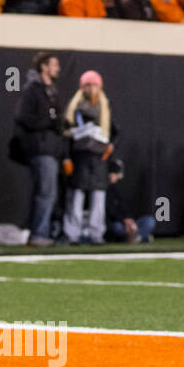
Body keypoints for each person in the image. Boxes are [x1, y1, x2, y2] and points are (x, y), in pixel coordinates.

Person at [13, 51, 63, 246]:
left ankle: (38, 232)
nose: (58, 69)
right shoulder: (33, 90)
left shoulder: (52, 91)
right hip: (40, 149)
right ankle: (38, 234)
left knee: (47, 193)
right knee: (46, 194)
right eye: (54, 65)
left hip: (52, 148)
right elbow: (23, 117)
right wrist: (48, 122)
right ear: (44, 67)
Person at [62, 70, 113, 244]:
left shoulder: (104, 108)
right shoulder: (76, 108)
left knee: (98, 198)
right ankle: (72, 233)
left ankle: (96, 233)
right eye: (88, 85)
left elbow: (114, 132)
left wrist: (110, 149)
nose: (91, 89)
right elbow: (66, 135)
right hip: (80, 157)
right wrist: (66, 158)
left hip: (98, 158)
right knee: (76, 197)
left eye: (94, 85)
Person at [105, 158, 156, 243]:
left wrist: (129, 220)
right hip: (117, 223)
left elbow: (124, 208)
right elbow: (109, 211)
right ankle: (140, 237)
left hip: (127, 223)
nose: (117, 178)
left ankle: (134, 237)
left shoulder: (117, 189)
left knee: (149, 221)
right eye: (115, 174)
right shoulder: (103, 190)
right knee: (117, 228)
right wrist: (123, 220)